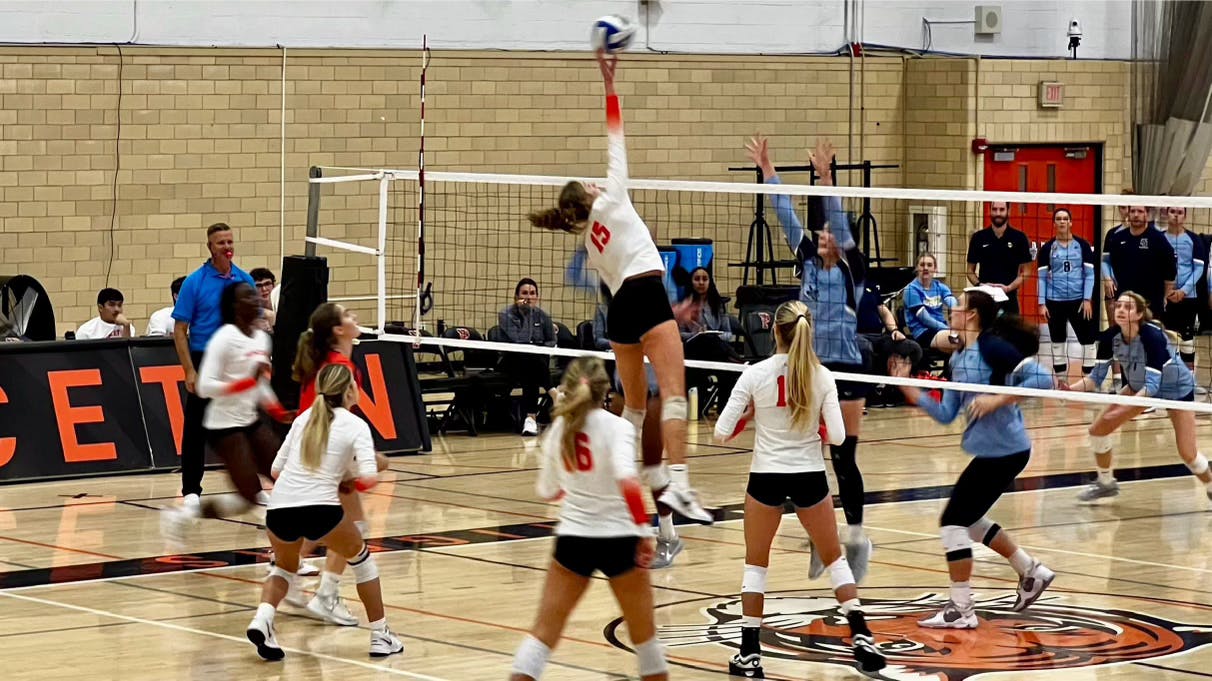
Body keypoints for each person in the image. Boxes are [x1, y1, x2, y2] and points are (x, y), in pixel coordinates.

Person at [527, 51, 710, 524]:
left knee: (632, 408)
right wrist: (610, 84)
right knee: (672, 394)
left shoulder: (588, 239)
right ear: (587, 195)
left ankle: (620, 477)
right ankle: (679, 486)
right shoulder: (612, 194)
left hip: (621, 311)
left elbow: (622, 284)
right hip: (645, 296)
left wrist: (668, 315)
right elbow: (617, 135)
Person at [714, 300, 885, 678]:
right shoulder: (822, 376)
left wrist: (750, 416)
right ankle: (861, 635)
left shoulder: (754, 374)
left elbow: (720, 432)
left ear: (774, 331)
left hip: (766, 476)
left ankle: (749, 653)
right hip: (809, 475)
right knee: (835, 559)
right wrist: (816, 429)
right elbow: (839, 437)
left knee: (755, 564)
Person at [889, 286, 1057, 628]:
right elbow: (947, 413)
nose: (952, 308)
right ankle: (1030, 571)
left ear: (971, 315)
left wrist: (996, 399)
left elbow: (1043, 379)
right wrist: (910, 390)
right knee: (967, 518)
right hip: (993, 451)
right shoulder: (958, 357)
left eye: (958, 305)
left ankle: (962, 609)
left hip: (1007, 451)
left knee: (952, 520)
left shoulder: (991, 348)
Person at [745, 133, 873, 578]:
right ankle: (826, 538)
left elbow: (835, 216)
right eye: (820, 236)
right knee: (809, 454)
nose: (823, 239)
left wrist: (826, 177)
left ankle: (856, 537)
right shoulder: (806, 258)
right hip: (814, 368)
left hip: (850, 365)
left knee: (844, 454)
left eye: (829, 235)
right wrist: (768, 172)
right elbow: (785, 216)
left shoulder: (854, 266)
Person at [510, 357, 667, 681]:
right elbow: (627, 480)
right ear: (605, 391)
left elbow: (548, 491)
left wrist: (579, 488)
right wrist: (644, 531)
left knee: (543, 633)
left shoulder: (558, 431)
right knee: (645, 639)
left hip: (574, 539)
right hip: (620, 540)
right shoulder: (619, 427)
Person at [246, 363, 404, 661]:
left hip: (279, 508)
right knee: (362, 561)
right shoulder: (356, 425)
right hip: (320, 507)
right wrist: (348, 476)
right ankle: (381, 635)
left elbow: (276, 470)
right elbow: (369, 478)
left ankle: (263, 620)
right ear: (349, 391)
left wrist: (336, 471)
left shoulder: (304, 418)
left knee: (283, 567)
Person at [285, 301, 389, 624]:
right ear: (337, 330)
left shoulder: (330, 362)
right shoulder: (341, 368)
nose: (354, 317)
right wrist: (358, 461)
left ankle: (286, 577)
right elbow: (334, 421)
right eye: (347, 316)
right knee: (351, 527)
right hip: (321, 451)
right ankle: (325, 595)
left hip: (311, 449)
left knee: (326, 523)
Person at [160, 282, 280, 541]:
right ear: (235, 307)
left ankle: (288, 550)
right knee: (248, 498)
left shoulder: (262, 339)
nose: (255, 298)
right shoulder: (223, 338)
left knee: (283, 474)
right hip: (222, 426)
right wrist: (244, 383)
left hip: (250, 419)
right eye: (248, 296)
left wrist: (278, 410)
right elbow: (204, 387)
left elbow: (259, 384)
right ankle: (181, 516)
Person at [1066, 292, 1212, 503]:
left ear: (1139, 314)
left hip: (1175, 391)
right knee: (1097, 430)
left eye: (1128, 307)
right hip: (1137, 385)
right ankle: (1106, 483)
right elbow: (1095, 379)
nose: (1121, 311)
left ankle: (1210, 485)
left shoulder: (1152, 337)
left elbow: (1152, 386)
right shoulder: (1110, 338)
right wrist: (1069, 390)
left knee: (1188, 453)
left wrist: (1126, 409)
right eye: (1118, 307)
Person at [172, 222, 257, 509]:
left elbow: (253, 326)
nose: (227, 247)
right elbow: (180, 330)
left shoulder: (245, 281)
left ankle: (252, 487)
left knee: (245, 427)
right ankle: (191, 490)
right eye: (221, 242)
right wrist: (189, 370)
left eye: (230, 241)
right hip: (204, 360)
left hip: (237, 362)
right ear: (210, 247)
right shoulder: (194, 282)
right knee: (195, 428)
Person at [1036, 208, 1097, 379]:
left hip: (1078, 301)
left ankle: (1088, 379)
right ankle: (1061, 379)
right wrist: (1042, 303)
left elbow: (1090, 274)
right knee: (1057, 340)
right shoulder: (1047, 248)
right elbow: (1041, 278)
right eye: (1058, 219)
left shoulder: (1083, 245)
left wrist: (1087, 299)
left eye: (1065, 219)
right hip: (1054, 301)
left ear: (1071, 222)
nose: (1062, 222)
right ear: (1054, 223)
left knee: (1088, 339)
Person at [499, 278, 558, 436]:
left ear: (537, 296)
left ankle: (530, 419)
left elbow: (552, 340)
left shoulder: (543, 315)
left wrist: (541, 348)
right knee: (529, 359)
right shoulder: (506, 314)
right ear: (516, 296)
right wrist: (527, 315)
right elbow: (520, 340)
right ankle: (553, 392)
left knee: (531, 367)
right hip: (511, 360)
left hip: (534, 362)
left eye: (532, 293)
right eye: (524, 293)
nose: (529, 297)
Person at [1103, 204, 1176, 328]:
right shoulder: (1117, 238)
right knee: (1125, 338)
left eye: (1140, 211)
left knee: (1150, 339)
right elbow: (1110, 263)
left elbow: (1170, 271)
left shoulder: (1158, 239)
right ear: (1128, 213)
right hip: (1125, 300)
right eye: (1133, 211)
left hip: (1151, 302)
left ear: (1146, 214)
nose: (1136, 214)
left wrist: (1164, 296)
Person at [965, 201, 1033, 314]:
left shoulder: (1019, 238)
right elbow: (969, 271)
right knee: (985, 331)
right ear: (989, 211)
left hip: (1009, 298)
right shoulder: (978, 237)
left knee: (1010, 331)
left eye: (1001, 209)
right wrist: (980, 285)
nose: (998, 213)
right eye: (994, 209)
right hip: (985, 299)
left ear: (1008, 211)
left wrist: (1009, 287)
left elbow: (1026, 271)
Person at [1160, 206, 1205, 372]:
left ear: (1185, 216)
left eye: (1180, 213)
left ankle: (1189, 381)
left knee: (1187, 340)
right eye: (1173, 212)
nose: (1176, 216)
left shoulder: (1193, 239)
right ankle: (1167, 379)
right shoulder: (1160, 238)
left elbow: (1199, 268)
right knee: (1166, 338)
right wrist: (1167, 292)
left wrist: (1183, 291)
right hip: (1165, 296)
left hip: (1188, 297)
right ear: (1166, 214)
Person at [903, 253, 959, 351]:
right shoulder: (911, 290)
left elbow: (952, 302)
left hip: (941, 329)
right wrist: (947, 328)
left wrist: (956, 311)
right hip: (923, 332)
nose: (926, 268)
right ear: (917, 268)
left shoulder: (940, 286)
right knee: (958, 342)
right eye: (922, 265)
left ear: (935, 268)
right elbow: (925, 319)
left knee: (965, 339)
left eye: (929, 265)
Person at [250, 267, 278, 331]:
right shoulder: (251, 313)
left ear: (273, 285)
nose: (264, 289)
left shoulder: (282, 307)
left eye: (267, 284)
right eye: (258, 286)